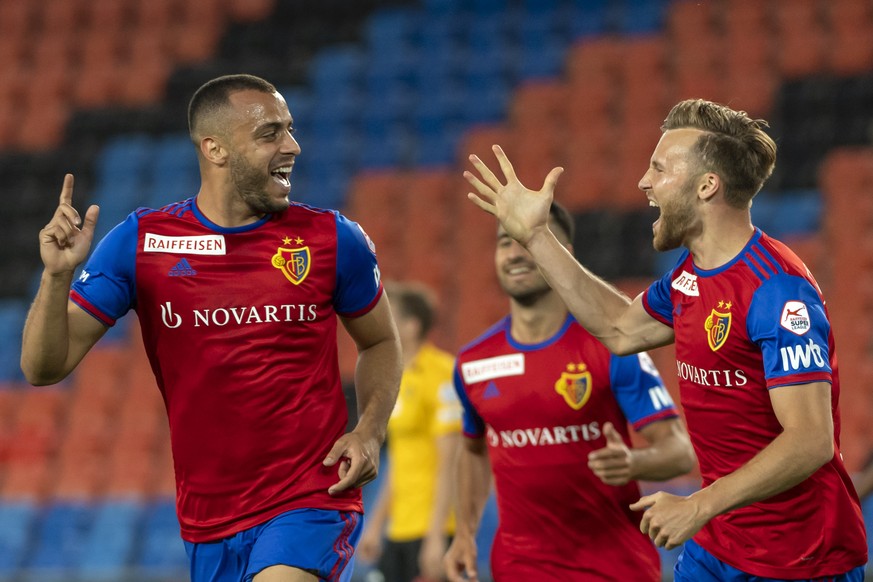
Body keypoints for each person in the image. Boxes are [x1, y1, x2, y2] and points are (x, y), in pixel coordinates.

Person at [463, 99, 868, 580]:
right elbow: (618, 328)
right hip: (716, 546)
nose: (644, 182)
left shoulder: (776, 289)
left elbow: (811, 440)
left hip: (800, 557)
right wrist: (535, 237)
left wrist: (698, 505)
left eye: (659, 168)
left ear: (707, 185)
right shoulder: (688, 278)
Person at [20, 74, 402, 582]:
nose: (293, 145)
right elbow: (43, 367)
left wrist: (371, 431)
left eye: (289, 129)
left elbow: (380, 341)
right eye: (270, 133)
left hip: (312, 498)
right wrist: (56, 276)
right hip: (208, 520)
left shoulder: (331, 238)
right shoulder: (143, 243)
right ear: (215, 148)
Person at [444, 201, 696, 581]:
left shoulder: (613, 348)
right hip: (518, 567)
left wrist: (632, 462)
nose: (515, 254)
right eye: (505, 243)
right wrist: (464, 533)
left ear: (564, 255)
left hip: (614, 567)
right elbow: (473, 449)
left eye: (528, 243)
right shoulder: (473, 363)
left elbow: (679, 453)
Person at [357, 282, 462, 582]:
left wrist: (436, 537)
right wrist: (376, 525)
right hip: (400, 526)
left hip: (431, 528)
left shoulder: (441, 374)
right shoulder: (395, 378)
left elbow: (449, 463)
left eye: (391, 315)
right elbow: (398, 463)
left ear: (412, 326)